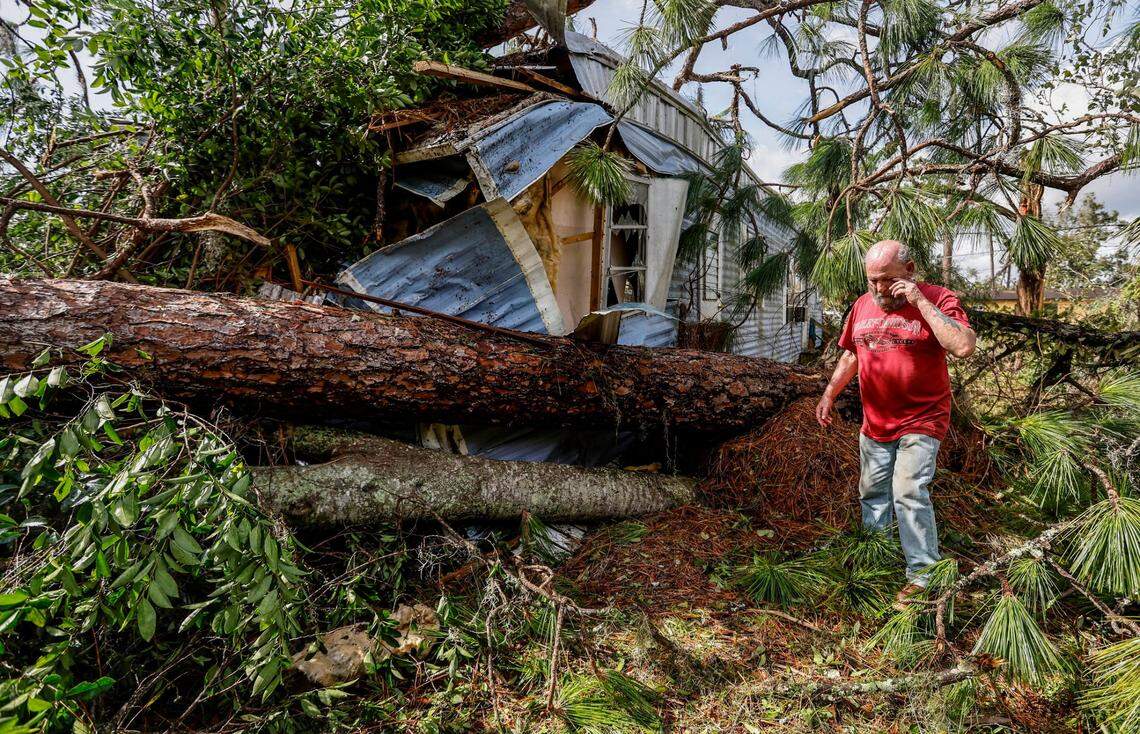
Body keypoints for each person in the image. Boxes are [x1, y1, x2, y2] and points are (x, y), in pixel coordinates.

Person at [815, 240, 976, 608]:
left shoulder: (937, 297)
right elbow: (852, 353)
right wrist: (829, 394)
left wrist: (920, 302)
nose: (879, 289)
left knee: (908, 489)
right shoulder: (861, 305)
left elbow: (964, 346)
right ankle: (879, 555)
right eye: (872, 280)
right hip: (876, 420)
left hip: (923, 416)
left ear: (910, 270)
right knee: (872, 492)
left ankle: (923, 575)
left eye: (886, 280)